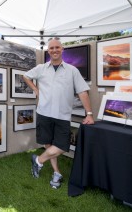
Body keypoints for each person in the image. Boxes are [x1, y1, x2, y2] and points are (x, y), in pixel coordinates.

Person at [23, 38, 94, 189]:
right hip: (44, 113)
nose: (54, 50)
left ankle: (38, 161)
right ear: (48, 51)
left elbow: (83, 92)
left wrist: (89, 114)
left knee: (62, 145)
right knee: (49, 144)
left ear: (62, 49)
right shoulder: (41, 68)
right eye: (51, 48)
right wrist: (35, 89)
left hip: (62, 115)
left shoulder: (72, 70)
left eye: (57, 47)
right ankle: (57, 173)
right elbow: (25, 76)